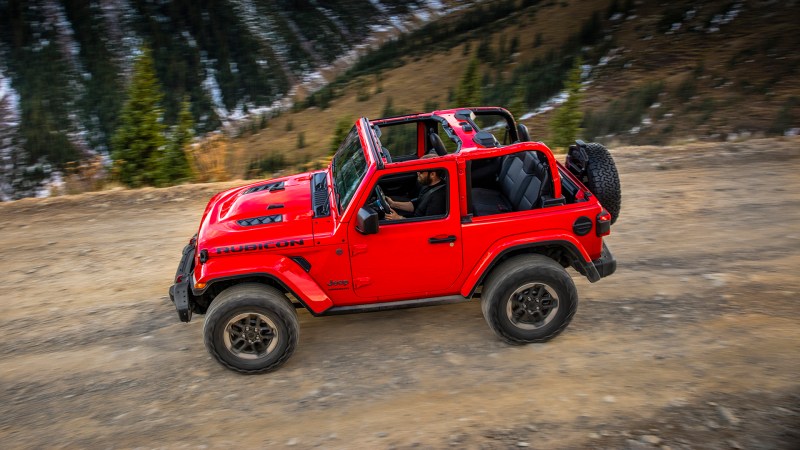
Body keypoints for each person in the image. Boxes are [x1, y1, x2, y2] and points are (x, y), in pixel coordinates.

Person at [385, 155, 446, 220]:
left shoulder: (438, 199)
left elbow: (427, 226)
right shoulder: (428, 186)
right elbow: (416, 205)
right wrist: (393, 204)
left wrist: (398, 218)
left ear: (432, 174)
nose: (418, 173)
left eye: (421, 171)